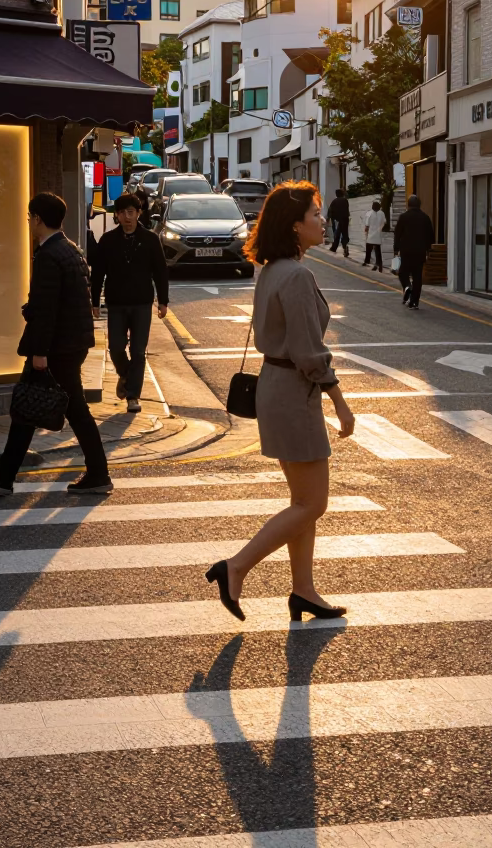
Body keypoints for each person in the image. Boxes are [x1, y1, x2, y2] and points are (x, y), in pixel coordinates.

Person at [206, 181, 356, 622]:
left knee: (302, 501)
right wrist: (340, 401)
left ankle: (303, 590)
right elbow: (309, 352)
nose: (323, 221)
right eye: (315, 214)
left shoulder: (273, 269)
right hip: (293, 391)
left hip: (276, 386)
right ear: (294, 225)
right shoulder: (296, 276)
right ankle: (236, 567)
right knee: (313, 503)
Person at [0, 192, 112, 495]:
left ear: (37, 219)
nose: (28, 222)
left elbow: (47, 309)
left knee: (34, 407)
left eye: (29, 217)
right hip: (72, 342)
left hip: (56, 347)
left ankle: (6, 475)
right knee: (51, 408)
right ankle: (8, 474)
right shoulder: (70, 248)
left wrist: (39, 352)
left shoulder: (48, 255)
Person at [91, 193, 169, 413]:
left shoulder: (150, 239)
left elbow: (160, 272)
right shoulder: (108, 240)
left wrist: (163, 301)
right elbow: (98, 272)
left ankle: (133, 396)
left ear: (138, 213)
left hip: (142, 303)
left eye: (131, 212)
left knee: (138, 351)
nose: (127, 217)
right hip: (116, 303)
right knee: (116, 348)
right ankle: (125, 375)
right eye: (123, 212)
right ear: (116, 215)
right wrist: (94, 301)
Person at [393, 194, 434, 309]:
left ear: (408, 205)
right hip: (420, 251)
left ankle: (407, 287)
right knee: (417, 276)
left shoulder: (403, 217)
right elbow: (430, 236)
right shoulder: (425, 218)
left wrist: (396, 249)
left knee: (402, 273)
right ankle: (414, 302)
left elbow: (397, 234)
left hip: (406, 251)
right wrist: (428, 250)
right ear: (419, 205)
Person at [362, 199, 386, 271]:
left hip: (371, 234)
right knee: (377, 250)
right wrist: (380, 228)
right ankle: (379, 263)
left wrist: (366, 232)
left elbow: (367, 225)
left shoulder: (369, 213)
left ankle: (367, 261)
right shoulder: (382, 213)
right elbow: (384, 222)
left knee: (368, 248)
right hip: (378, 234)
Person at [326, 189, 350, 257]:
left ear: (336, 194)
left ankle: (334, 248)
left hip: (337, 220)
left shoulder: (334, 201)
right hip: (345, 219)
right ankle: (344, 246)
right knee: (344, 233)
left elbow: (330, 210)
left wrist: (328, 218)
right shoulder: (345, 200)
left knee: (337, 234)